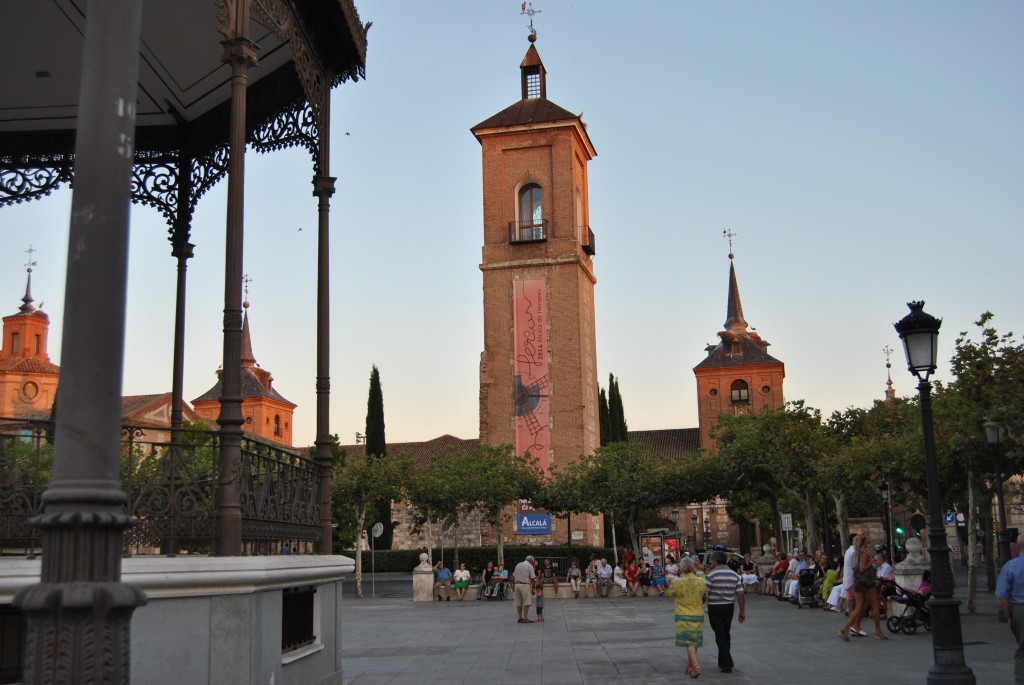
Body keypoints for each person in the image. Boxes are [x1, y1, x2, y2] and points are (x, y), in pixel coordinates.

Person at [667, 556, 708, 679]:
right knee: (694, 640)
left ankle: (695, 666)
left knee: (688, 641)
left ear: (681, 569)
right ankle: (689, 665)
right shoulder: (702, 581)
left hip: (683, 614)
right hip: (698, 613)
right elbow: (705, 596)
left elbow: (670, 593)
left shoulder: (678, 582)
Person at [706, 551, 745, 673]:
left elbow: (705, 593)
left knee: (720, 634)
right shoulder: (734, 575)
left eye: (712, 560)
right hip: (729, 607)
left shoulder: (712, 575)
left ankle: (727, 663)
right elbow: (740, 594)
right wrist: (742, 611)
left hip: (715, 607)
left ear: (716, 561)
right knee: (725, 632)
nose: (711, 562)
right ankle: (722, 660)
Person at [996, 532, 1024, 683]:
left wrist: (1008, 616)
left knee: (1022, 649)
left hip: (1020, 610)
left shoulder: (1010, 566)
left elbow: (1002, 596)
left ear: (1018, 547)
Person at [513, 555, 537, 622]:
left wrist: (513, 586)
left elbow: (514, 576)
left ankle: (520, 617)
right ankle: (525, 618)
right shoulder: (530, 566)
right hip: (525, 585)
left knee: (518, 602)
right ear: (531, 561)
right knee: (526, 602)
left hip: (517, 585)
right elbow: (533, 578)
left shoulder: (518, 564)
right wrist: (533, 588)